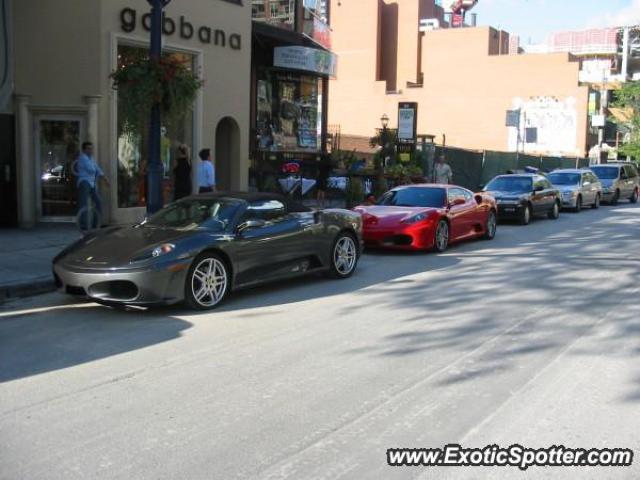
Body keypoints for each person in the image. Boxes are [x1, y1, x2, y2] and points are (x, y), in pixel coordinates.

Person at [74, 142, 109, 228]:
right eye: (88, 149)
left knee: (98, 202)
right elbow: (92, 169)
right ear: (84, 150)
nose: (90, 150)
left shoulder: (91, 158)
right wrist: (98, 173)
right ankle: (83, 225)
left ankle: (96, 223)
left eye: (91, 148)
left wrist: (105, 178)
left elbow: (97, 168)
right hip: (84, 182)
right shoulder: (82, 158)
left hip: (92, 183)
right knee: (84, 204)